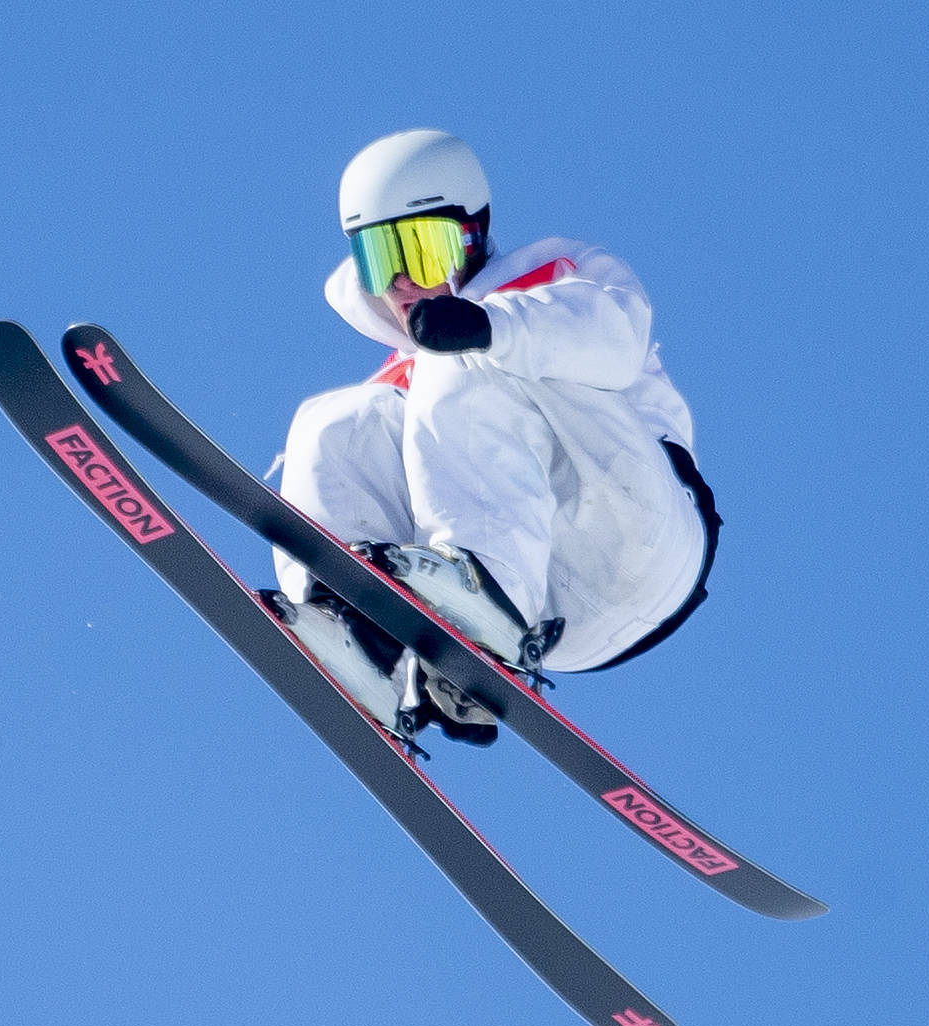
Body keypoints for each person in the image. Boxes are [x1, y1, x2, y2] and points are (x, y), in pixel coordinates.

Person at [267, 129, 720, 745]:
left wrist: (487, 325)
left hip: (638, 533)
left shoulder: (555, 278)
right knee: (335, 421)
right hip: (558, 619)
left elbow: (613, 341)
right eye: (378, 257)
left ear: (472, 235)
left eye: (421, 250)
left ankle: (486, 597)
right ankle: (357, 637)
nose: (400, 281)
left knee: (459, 361)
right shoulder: (413, 382)